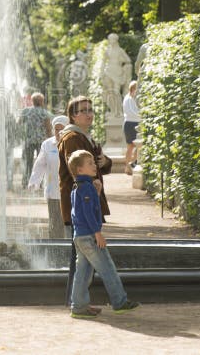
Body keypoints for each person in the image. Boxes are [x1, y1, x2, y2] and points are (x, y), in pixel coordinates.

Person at [67, 149, 139, 318]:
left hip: (79, 236)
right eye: (90, 163)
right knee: (107, 268)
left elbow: (81, 210)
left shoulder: (78, 187)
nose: (94, 165)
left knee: (83, 273)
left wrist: (97, 192)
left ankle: (78, 306)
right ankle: (120, 302)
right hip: (89, 236)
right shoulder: (86, 187)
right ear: (79, 170)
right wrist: (97, 233)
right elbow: (88, 214)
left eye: (93, 162)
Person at [57, 95, 112, 306]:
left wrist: (105, 162)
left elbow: (98, 165)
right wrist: (91, 191)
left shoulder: (85, 137)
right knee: (80, 258)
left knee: (83, 259)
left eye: (91, 110)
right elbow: (77, 172)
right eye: (84, 111)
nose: (89, 114)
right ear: (73, 115)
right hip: (81, 205)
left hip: (87, 202)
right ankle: (75, 302)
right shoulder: (72, 137)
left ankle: (78, 302)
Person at [27, 115, 70, 238]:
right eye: (56, 129)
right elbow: (40, 164)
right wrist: (34, 182)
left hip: (70, 190)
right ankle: (55, 249)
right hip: (53, 190)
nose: (59, 132)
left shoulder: (72, 142)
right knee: (55, 223)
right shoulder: (47, 144)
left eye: (62, 128)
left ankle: (71, 250)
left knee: (69, 223)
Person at [18, 92, 52, 189]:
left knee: (27, 162)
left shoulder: (26, 112)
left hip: (29, 140)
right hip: (41, 142)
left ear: (32, 101)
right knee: (40, 162)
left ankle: (25, 182)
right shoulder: (44, 113)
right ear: (41, 102)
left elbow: (19, 123)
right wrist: (50, 141)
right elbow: (48, 128)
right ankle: (39, 183)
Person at [122, 80, 140, 175]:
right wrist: (141, 116)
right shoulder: (128, 99)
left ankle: (132, 164)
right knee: (130, 146)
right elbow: (131, 112)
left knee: (137, 146)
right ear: (133, 89)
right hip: (130, 124)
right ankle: (128, 166)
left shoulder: (133, 98)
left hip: (135, 123)